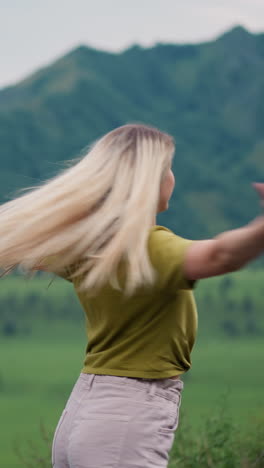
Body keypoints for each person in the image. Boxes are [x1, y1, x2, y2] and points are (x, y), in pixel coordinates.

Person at [0, 123, 263, 468]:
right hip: (126, 416)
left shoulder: (93, 249)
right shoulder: (147, 247)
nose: (173, 176)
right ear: (151, 178)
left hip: (85, 412)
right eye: (169, 167)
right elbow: (220, 256)